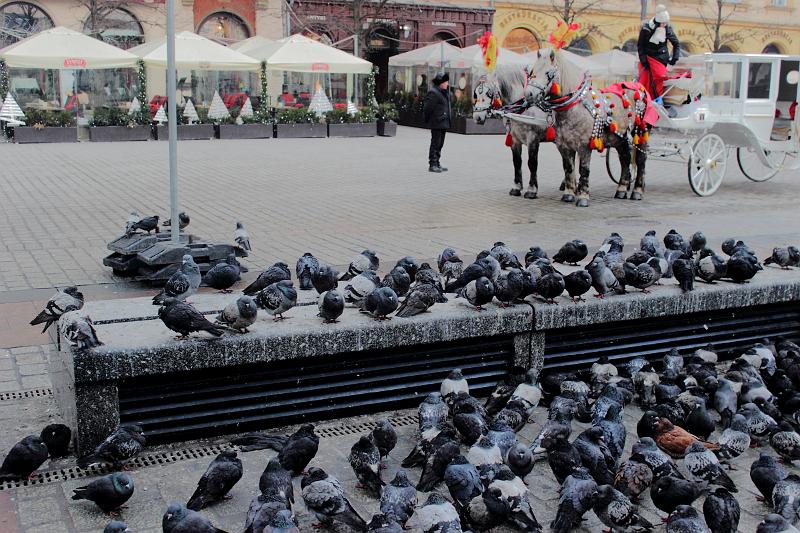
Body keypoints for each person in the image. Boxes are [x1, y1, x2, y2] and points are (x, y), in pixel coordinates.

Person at [637, 4, 680, 101]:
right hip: (648, 59)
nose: (665, 25)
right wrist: (644, 61)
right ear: (658, 22)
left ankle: (658, 99)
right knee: (645, 81)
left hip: (661, 60)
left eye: (666, 23)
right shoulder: (646, 29)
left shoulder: (667, 29)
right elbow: (641, 46)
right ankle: (647, 100)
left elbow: (676, 44)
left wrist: (674, 58)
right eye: (663, 23)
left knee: (660, 78)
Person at [423, 72, 451, 173]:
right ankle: (432, 164)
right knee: (435, 143)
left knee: (440, 144)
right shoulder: (433, 92)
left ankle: (437, 162)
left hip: (443, 122)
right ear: (441, 82)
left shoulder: (443, 92)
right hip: (437, 122)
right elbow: (427, 108)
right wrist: (428, 120)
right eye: (446, 82)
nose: (447, 84)